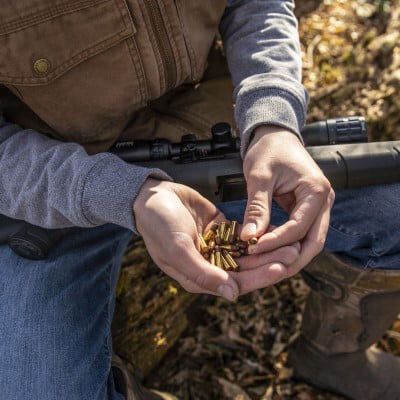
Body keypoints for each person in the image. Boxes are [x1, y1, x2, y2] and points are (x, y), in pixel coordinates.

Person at [0, 1, 398, 399]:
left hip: (212, 132)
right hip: (47, 188)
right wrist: (121, 194)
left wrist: (272, 119)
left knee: (392, 210)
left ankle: (333, 355)